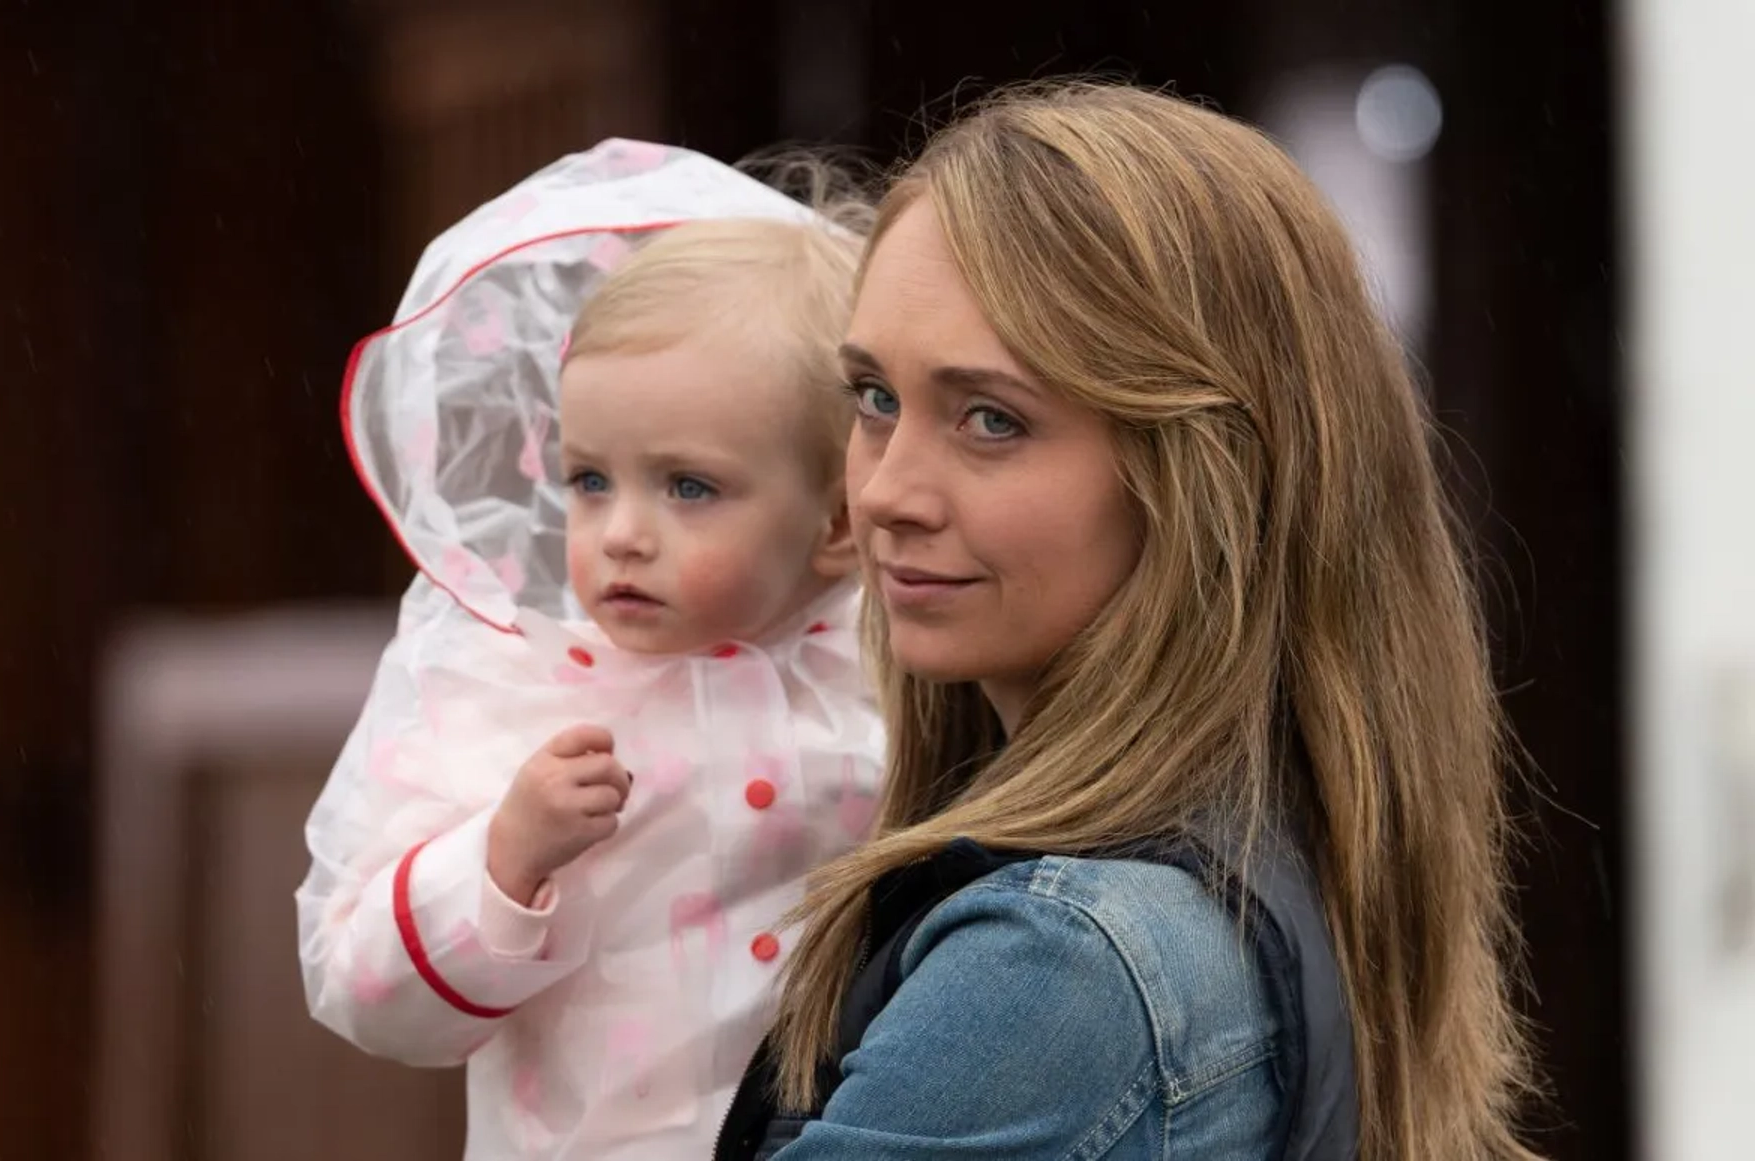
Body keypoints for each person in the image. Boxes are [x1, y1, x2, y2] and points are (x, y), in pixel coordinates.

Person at [714, 83, 1540, 1161]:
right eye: (876, 399)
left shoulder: (1064, 958)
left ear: (1204, 480)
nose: (882, 493)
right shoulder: (1248, 861)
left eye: (992, 419)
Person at [296, 139, 885, 1161]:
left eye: (688, 487)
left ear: (836, 523)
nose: (621, 533)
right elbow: (361, 989)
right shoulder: (513, 692)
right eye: (588, 480)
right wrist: (504, 855)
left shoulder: (892, 676)